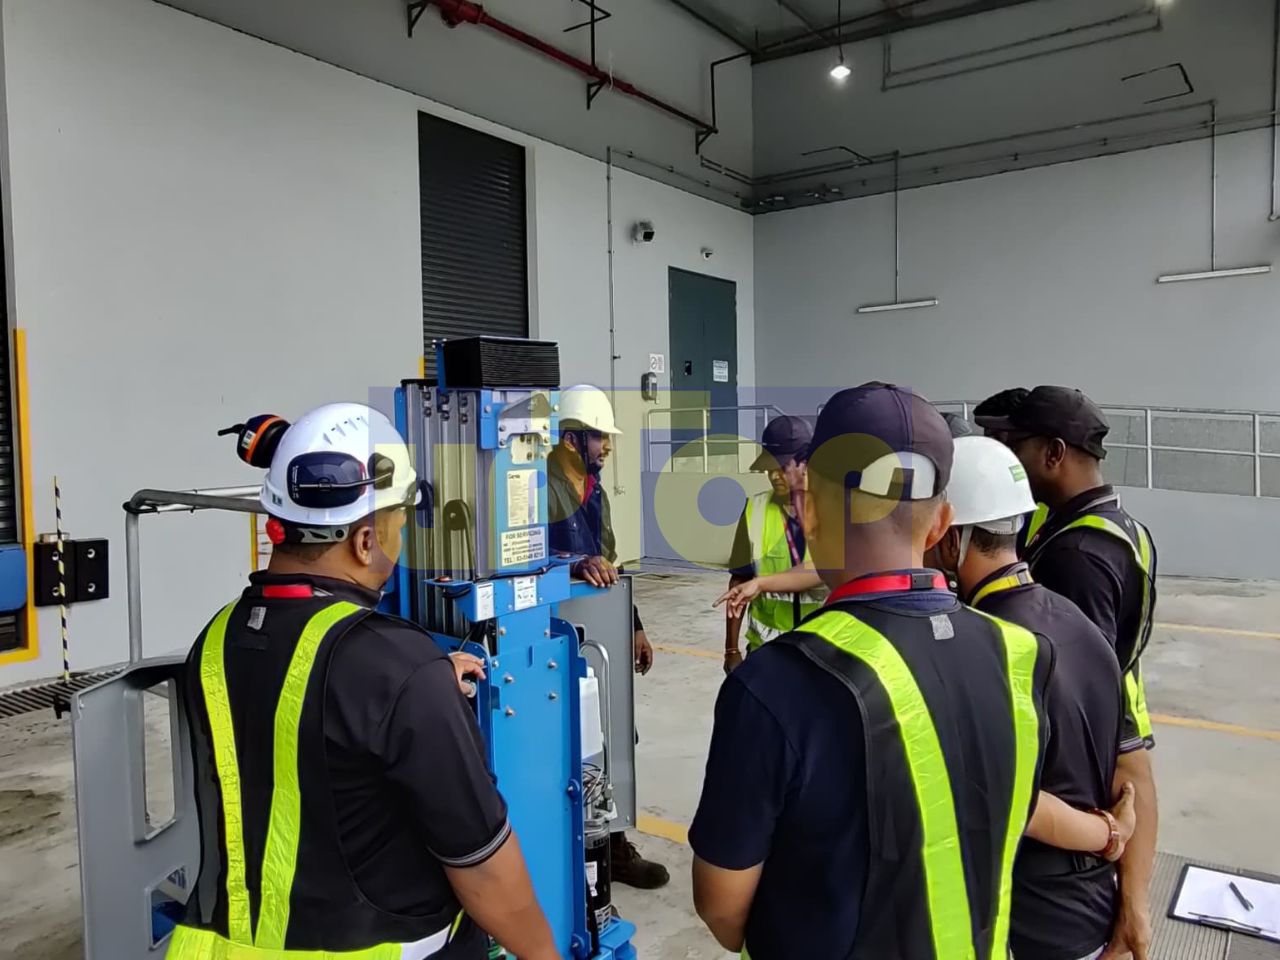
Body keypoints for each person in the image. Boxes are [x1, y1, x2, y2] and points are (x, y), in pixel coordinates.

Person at [170, 404, 558, 960]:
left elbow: (299, 727)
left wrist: (408, 690)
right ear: (365, 541)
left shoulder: (214, 641)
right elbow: (486, 874)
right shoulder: (396, 669)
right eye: (400, 521)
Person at [690, 382, 1055, 959]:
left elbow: (722, 906)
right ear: (941, 527)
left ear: (809, 513)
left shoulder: (770, 689)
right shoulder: (1020, 656)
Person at [930, 435, 1137, 960]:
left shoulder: (983, 644)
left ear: (953, 540)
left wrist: (1104, 834)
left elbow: (1003, 796)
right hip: (1088, 910)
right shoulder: (1081, 625)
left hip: (1025, 920)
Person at [980, 385, 1160, 960]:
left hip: (1093, 739)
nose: (1009, 462)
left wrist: (1127, 900)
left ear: (1054, 454)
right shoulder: (1120, 527)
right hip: (1118, 711)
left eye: (1017, 447)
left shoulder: (1077, 554)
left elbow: (1065, 677)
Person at [546, 383, 668, 890]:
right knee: (562, 743)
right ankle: (567, 851)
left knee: (614, 732)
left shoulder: (594, 493)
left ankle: (611, 844)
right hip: (550, 636)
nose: (609, 448)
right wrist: (576, 562)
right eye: (601, 439)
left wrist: (633, 626)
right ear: (573, 440)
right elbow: (521, 557)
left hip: (598, 632)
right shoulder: (535, 485)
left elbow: (610, 565)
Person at [719, 415, 826, 674]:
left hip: (823, 652)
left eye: (781, 467)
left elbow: (828, 568)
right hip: (766, 651)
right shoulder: (754, 510)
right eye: (768, 468)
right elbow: (739, 582)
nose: (773, 476)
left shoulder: (836, 511)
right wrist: (731, 649)